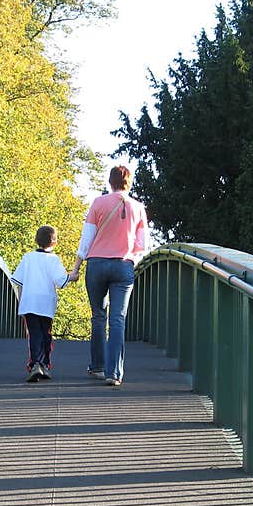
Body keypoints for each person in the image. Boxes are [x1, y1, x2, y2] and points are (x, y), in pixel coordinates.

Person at [69, 164, 148, 387]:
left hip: (96, 265)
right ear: (129, 183)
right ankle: (114, 373)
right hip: (123, 265)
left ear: (110, 182)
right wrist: (130, 261)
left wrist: (76, 268)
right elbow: (142, 245)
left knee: (98, 316)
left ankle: (97, 367)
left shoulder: (98, 203)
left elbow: (86, 239)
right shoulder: (138, 208)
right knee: (117, 320)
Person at [11, 225, 73, 382]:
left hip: (30, 302)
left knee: (34, 333)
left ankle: (35, 364)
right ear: (54, 242)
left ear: (36, 240)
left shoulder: (28, 257)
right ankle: (43, 364)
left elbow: (18, 282)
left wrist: (21, 301)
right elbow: (61, 281)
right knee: (46, 333)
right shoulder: (53, 259)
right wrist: (72, 276)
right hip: (46, 303)